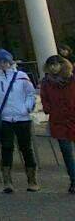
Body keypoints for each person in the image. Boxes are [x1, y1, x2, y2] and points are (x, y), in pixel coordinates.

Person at [0, 48, 40, 193]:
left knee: (26, 148)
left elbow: (30, 93)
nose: (4, 64)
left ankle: (32, 180)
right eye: (1, 61)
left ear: (10, 61)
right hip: (4, 118)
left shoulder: (21, 76)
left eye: (6, 61)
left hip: (22, 117)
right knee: (7, 148)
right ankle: (7, 181)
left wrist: (27, 107)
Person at [41, 55, 75, 194]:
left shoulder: (72, 79)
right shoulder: (46, 82)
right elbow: (44, 98)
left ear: (62, 65)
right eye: (51, 65)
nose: (53, 67)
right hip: (58, 121)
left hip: (73, 117)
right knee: (67, 153)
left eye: (56, 64)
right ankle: (74, 180)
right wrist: (48, 108)